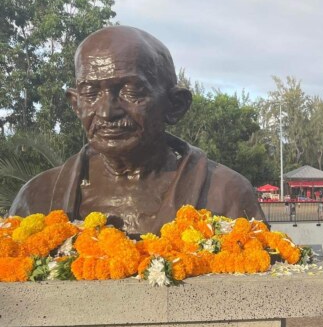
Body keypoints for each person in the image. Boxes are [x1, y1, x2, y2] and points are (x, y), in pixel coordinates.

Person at [9, 26, 264, 234]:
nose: (108, 112)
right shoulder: (36, 200)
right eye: (91, 93)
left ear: (175, 106)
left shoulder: (227, 195)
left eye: (131, 91)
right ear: (76, 104)